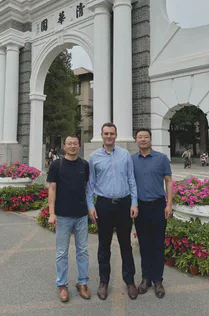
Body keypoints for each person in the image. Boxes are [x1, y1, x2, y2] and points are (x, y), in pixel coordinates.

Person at [87, 123, 139, 301]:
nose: (109, 136)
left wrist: (134, 202)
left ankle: (130, 280)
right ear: (102, 135)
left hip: (124, 205)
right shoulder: (94, 157)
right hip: (104, 206)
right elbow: (90, 185)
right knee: (104, 246)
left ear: (116, 135)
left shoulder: (125, 155)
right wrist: (91, 206)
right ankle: (103, 282)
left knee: (126, 245)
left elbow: (131, 179)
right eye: (106, 133)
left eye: (112, 133)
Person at [47, 135, 90, 303]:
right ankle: (62, 285)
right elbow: (52, 188)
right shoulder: (57, 165)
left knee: (83, 251)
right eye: (69, 143)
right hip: (63, 215)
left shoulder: (84, 165)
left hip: (81, 215)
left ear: (79, 146)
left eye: (75, 143)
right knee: (61, 252)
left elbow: (87, 187)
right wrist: (52, 213)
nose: (72, 146)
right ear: (64, 146)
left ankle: (83, 283)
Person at [132, 129, 173, 299]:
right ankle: (146, 278)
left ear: (150, 139)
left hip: (158, 205)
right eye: (140, 137)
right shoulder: (131, 159)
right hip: (140, 207)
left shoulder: (161, 158)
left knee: (157, 243)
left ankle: (158, 280)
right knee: (144, 244)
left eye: (145, 137)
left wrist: (169, 203)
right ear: (136, 140)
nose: (142, 140)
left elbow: (169, 181)